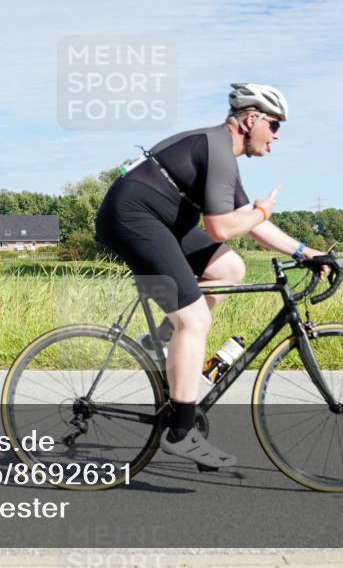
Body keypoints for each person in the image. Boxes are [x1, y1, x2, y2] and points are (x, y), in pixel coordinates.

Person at [94, 83, 327, 469]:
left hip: (163, 219)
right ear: (251, 119)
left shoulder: (223, 154)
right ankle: (181, 433)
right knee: (195, 318)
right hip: (132, 217)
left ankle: (161, 341)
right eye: (274, 125)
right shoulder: (218, 149)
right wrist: (262, 211)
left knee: (229, 268)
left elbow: (249, 226)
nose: (277, 136)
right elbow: (221, 228)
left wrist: (306, 252)